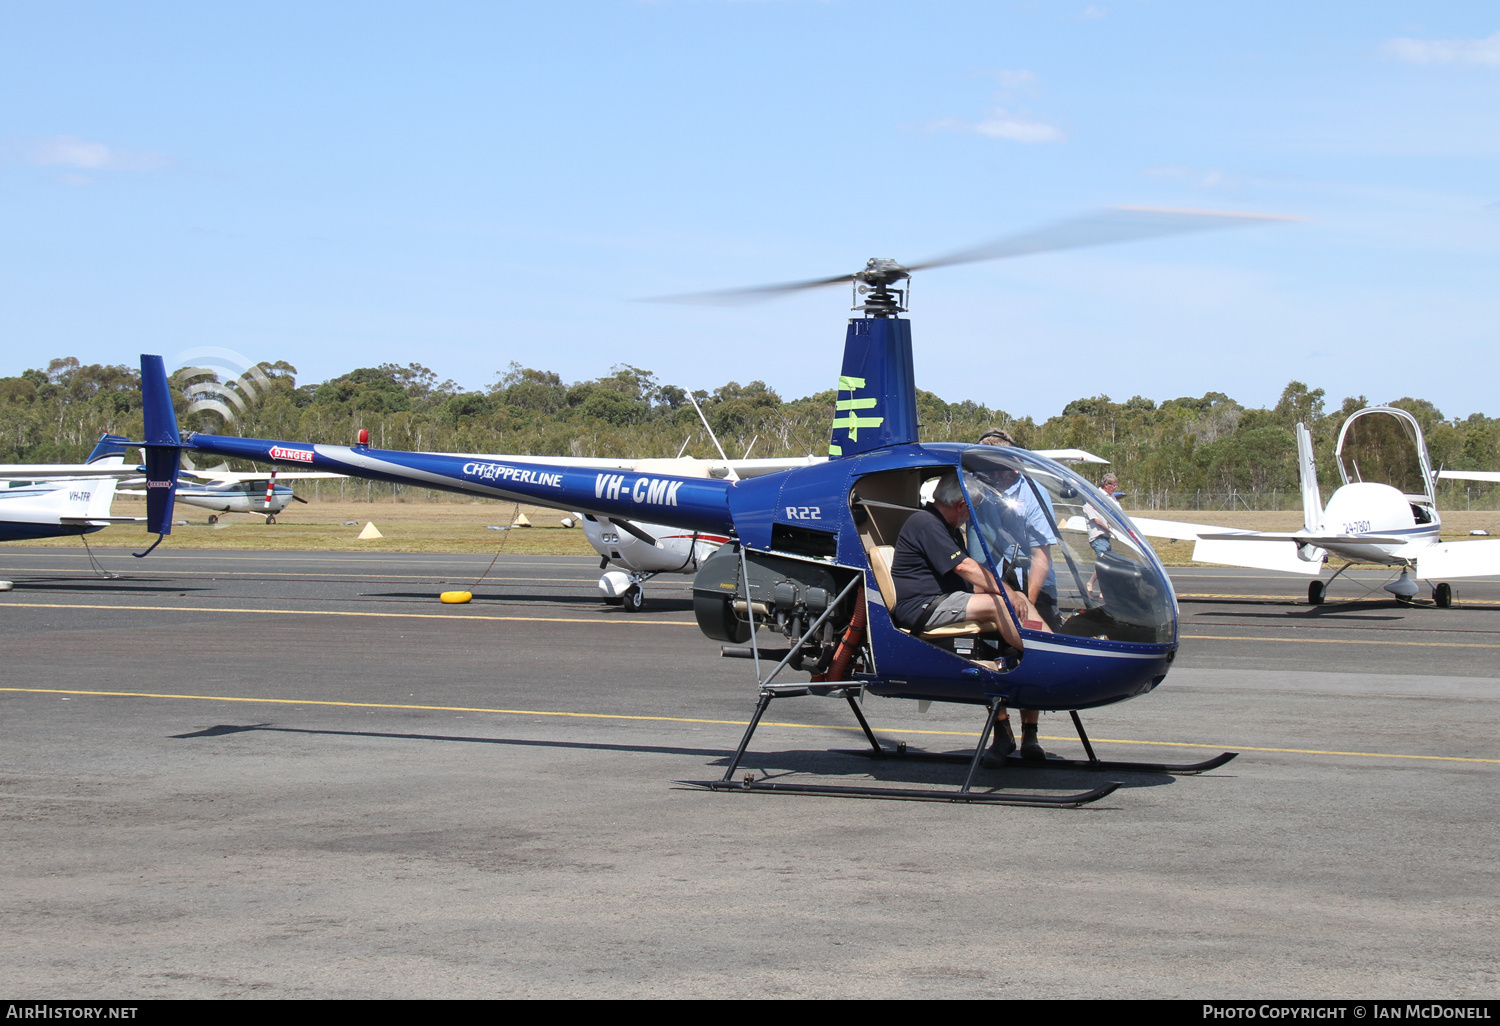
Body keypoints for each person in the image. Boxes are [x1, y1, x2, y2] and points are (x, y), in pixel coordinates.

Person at [973, 429, 1058, 762]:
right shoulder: (975, 486)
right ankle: (1001, 730)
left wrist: (1028, 605)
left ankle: (1031, 736)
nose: (995, 478)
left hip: (1033, 583)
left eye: (999, 471)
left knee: (1033, 657)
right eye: (988, 472)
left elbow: (1042, 554)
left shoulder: (1031, 492)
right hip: (988, 581)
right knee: (986, 656)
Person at [889, 473, 1033, 655]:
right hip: (923, 607)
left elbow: (970, 576)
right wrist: (1006, 592)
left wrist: (1013, 595)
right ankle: (1039, 656)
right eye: (974, 508)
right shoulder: (926, 523)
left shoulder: (948, 527)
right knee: (1001, 603)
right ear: (961, 506)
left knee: (1020, 599)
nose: (972, 514)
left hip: (945, 600)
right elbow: (964, 567)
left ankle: (1045, 639)